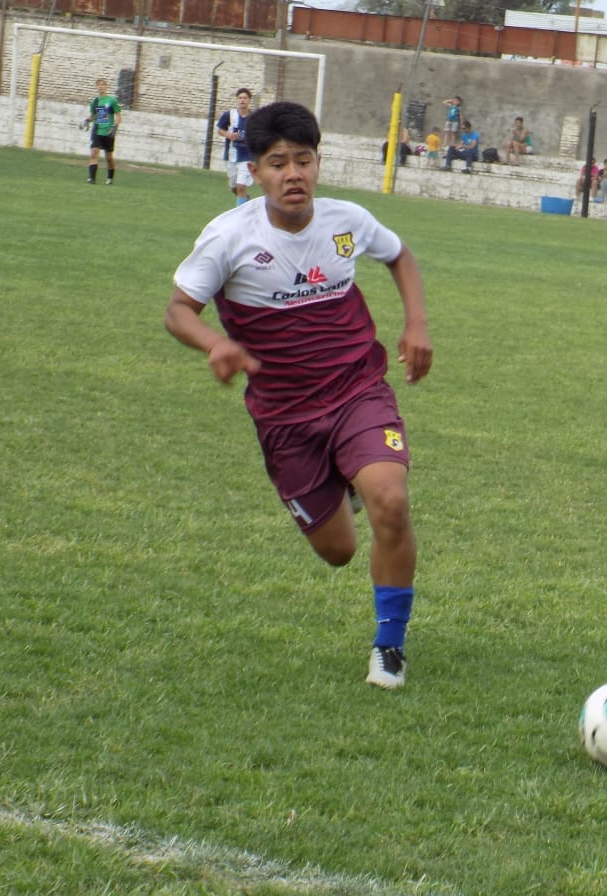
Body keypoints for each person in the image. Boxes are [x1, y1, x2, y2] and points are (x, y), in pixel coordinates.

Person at [163, 101, 433, 691]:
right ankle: (345, 490)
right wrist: (215, 344)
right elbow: (178, 311)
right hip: (285, 415)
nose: (293, 174)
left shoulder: (346, 222)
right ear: (255, 171)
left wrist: (416, 324)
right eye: (278, 162)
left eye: (304, 161)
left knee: (391, 499)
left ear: (318, 164)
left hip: (356, 388)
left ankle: (389, 648)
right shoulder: (229, 237)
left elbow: (399, 256)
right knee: (336, 550)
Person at [216, 87, 254, 206]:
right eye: (240, 98)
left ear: (249, 101)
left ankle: (240, 214)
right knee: (234, 187)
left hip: (247, 156)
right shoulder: (230, 115)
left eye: (245, 98)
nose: (242, 100)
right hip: (231, 155)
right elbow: (220, 130)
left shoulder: (254, 117)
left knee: (241, 186)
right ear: (237, 100)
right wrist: (229, 135)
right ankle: (245, 200)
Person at [83, 78, 121, 185]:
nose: (100, 87)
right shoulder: (94, 102)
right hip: (97, 131)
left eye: (103, 85)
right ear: (96, 87)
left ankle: (110, 177)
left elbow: (118, 116)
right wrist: (86, 120)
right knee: (94, 153)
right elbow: (93, 116)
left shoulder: (112, 101)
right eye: (98, 85)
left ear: (106, 87)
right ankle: (92, 178)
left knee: (108, 157)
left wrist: (115, 127)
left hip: (108, 132)